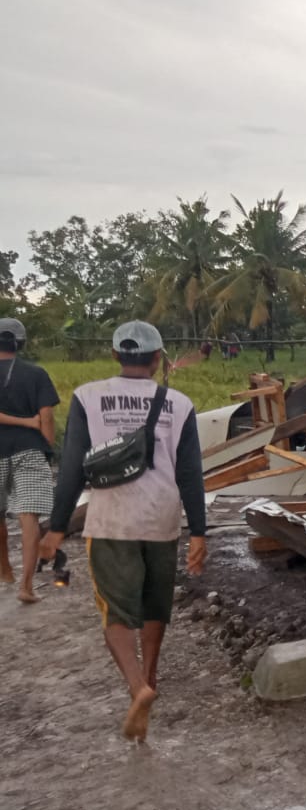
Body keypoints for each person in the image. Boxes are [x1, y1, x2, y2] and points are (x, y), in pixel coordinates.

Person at [40, 321, 207, 743]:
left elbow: (73, 470)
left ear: (115, 355)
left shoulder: (87, 397)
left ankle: (139, 687)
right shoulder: (180, 403)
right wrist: (200, 532)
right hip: (162, 519)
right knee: (155, 605)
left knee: (116, 612)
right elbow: (191, 475)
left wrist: (57, 528)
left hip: (111, 519)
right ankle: (151, 675)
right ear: (157, 359)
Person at [0, 317, 59, 604]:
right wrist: (46, 444)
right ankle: (26, 585)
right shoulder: (36, 374)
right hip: (30, 451)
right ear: (20, 343)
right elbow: (46, 418)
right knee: (29, 518)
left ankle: (5, 568)